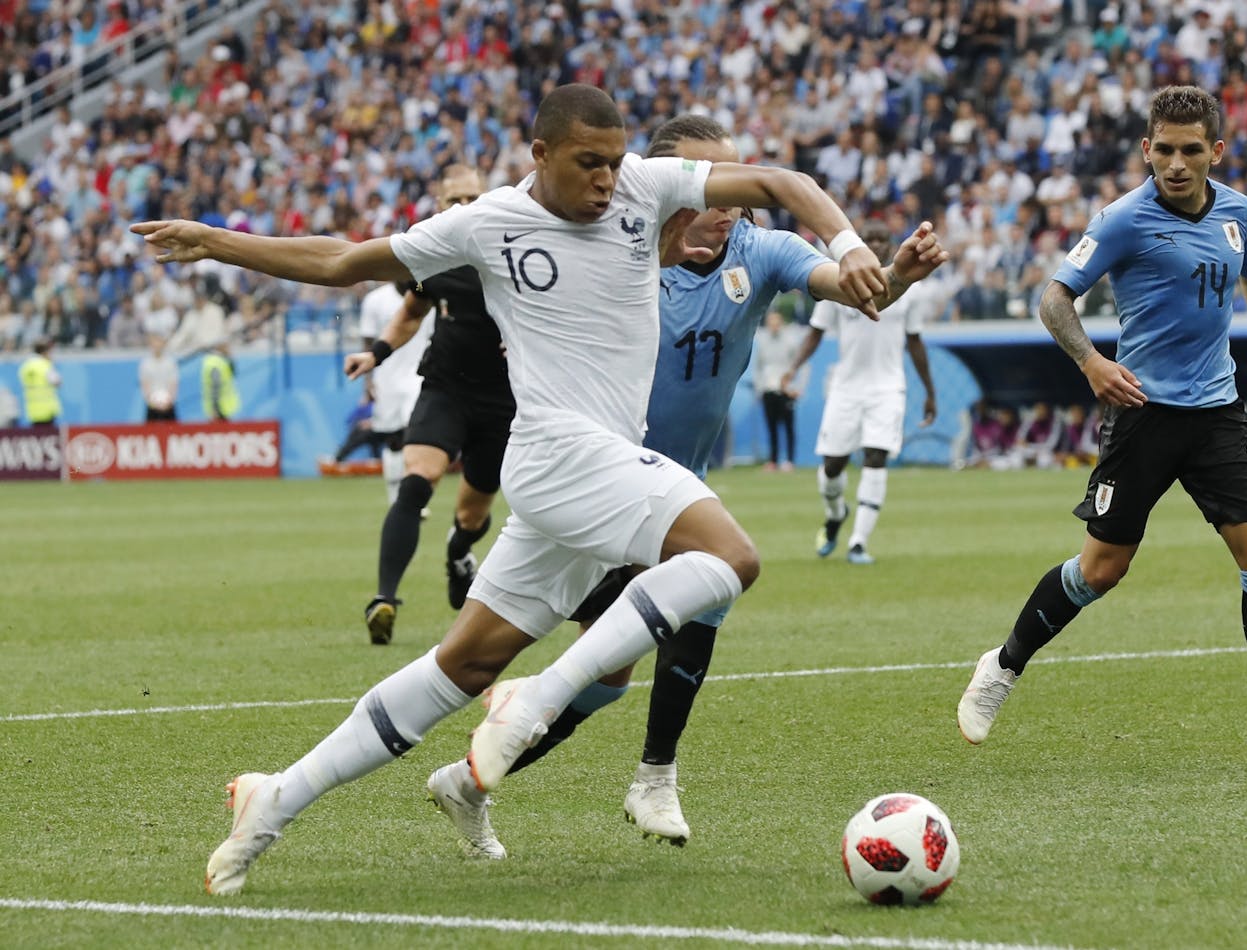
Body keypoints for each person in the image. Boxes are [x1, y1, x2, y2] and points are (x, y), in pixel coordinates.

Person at [134, 83, 899, 896]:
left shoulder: (647, 185)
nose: (606, 180)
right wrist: (220, 240)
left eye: (613, 162)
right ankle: (539, 696)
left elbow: (782, 183)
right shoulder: (487, 223)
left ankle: (274, 798)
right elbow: (343, 260)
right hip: (553, 453)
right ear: (540, 155)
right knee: (730, 559)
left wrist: (848, 242)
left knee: (461, 665)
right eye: (587, 163)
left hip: (590, 470)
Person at [463, 115, 946, 850]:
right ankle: (469, 777)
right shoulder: (614, 249)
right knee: (508, 663)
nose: (723, 201)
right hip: (591, 482)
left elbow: (846, 287)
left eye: (730, 182)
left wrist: (900, 271)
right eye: (704, 183)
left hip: (673, 491)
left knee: (694, 609)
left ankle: (649, 775)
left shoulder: (762, 251)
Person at [954, 86, 1247, 766]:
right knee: (1102, 570)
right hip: (1142, 412)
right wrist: (1091, 362)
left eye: (1192, 150)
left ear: (1216, 151)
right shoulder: (1123, 219)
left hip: (1217, 411)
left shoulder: (1239, 213)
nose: (1177, 163)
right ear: (1146, 149)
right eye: (1164, 150)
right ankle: (1003, 665)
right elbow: (1054, 297)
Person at [343, 164, 511, 644]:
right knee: (417, 480)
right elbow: (411, 314)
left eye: (471, 198)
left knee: (472, 515)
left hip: (503, 401)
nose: (463, 208)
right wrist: (374, 354)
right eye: (453, 200)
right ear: (439, 207)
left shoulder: (514, 249)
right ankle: (384, 600)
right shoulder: (431, 258)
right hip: (445, 388)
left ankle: (459, 554)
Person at [780, 220, 938, 565]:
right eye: (872, 238)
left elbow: (915, 343)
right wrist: (793, 368)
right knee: (833, 466)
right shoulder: (841, 280)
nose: (879, 244)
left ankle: (858, 543)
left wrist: (929, 391)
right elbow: (815, 333)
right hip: (846, 387)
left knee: (876, 457)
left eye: (884, 237)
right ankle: (836, 514)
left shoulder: (909, 289)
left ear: (891, 243)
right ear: (861, 244)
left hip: (888, 387)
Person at [354, 279, 432, 506]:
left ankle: (414, 498)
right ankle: (396, 501)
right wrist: (367, 381)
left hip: (420, 375)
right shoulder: (375, 300)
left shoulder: (427, 294)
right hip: (386, 378)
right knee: (394, 440)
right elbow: (367, 342)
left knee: (415, 434)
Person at [752, 309, 805, 471]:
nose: (774, 325)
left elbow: (801, 366)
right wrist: (760, 388)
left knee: (788, 427)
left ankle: (789, 460)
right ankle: (773, 460)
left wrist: (797, 388)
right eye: (771, 322)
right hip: (769, 389)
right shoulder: (763, 343)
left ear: (781, 323)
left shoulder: (790, 342)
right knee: (772, 427)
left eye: (776, 322)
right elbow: (758, 367)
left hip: (786, 390)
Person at [18, 337, 61, 426]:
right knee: (49, 436)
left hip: (32, 409)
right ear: (45, 352)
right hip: (47, 409)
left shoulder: (26, 365)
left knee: (38, 435)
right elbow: (57, 382)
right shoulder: (45, 365)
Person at [138, 333, 179, 422]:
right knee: (150, 433)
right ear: (151, 344)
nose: (157, 345)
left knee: (174, 431)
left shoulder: (170, 362)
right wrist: (152, 402)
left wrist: (168, 401)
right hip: (152, 405)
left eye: (159, 342)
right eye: (154, 342)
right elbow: (145, 385)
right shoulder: (146, 364)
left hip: (168, 404)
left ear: (163, 344)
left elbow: (173, 383)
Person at [200, 340, 240, 421]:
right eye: (226, 345)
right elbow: (215, 386)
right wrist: (215, 408)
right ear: (219, 346)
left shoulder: (221, 360)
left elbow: (233, 373)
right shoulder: (215, 363)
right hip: (219, 408)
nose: (228, 348)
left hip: (223, 407)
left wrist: (230, 357)